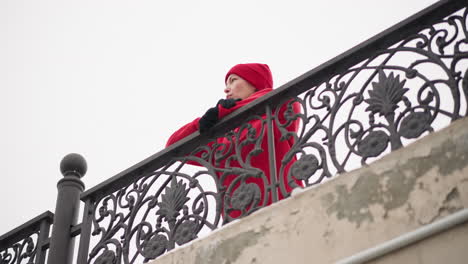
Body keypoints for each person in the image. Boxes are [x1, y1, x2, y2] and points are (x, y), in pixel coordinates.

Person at [166, 63, 302, 219]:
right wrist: (202, 122)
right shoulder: (223, 140)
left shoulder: (274, 113)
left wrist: (227, 111)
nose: (226, 89)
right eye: (226, 84)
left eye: (233, 80)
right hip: (239, 221)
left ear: (255, 83)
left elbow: (287, 101)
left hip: (285, 207)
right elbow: (173, 146)